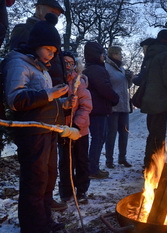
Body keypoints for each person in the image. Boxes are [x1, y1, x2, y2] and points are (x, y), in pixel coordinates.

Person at [1, 13, 79, 232]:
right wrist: (51, 95)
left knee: (47, 178)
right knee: (35, 182)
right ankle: (33, 226)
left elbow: (43, 101)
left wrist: (64, 102)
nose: (51, 56)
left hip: (47, 131)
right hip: (31, 133)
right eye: (49, 50)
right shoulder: (18, 63)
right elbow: (16, 100)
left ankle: (45, 221)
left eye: (55, 52)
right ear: (36, 44)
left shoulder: (40, 67)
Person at [140, 29, 167, 170]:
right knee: (158, 136)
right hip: (160, 101)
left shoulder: (150, 55)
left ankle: (148, 163)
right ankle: (154, 167)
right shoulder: (166, 55)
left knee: (152, 134)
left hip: (149, 100)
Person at [58, 51, 92, 204]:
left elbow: (86, 107)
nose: (68, 65)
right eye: (65, 62)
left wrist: (76, 126)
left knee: (81, 160)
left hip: (80, 131)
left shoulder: (80, 82)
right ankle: (66, 191)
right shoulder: (55, 81)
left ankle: (82, 190)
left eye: (71, 63)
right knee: (65, 162)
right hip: (62, 131)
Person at [84, 41, 119, 179]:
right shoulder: (97, 70)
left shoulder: (90, 69)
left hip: (95, 109)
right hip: (98, 110)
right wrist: (115, 98)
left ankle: (92, 167)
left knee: (97, 138)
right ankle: (93, 169)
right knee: (98, 139)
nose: (104, 56)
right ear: (97, 55)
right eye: (102, 54)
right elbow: (104, 88)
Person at [105, 46, 132, 168]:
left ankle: (122, 158)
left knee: (124, 133)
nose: (121, 55)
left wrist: (129, 78)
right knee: (111, 134)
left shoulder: (121, 68)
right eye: (119, 53)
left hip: (124, 106)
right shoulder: (106, 68)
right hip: (113, 107)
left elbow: (126, 86)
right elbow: (105, 86)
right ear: (113, 54)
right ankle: (109, 160)